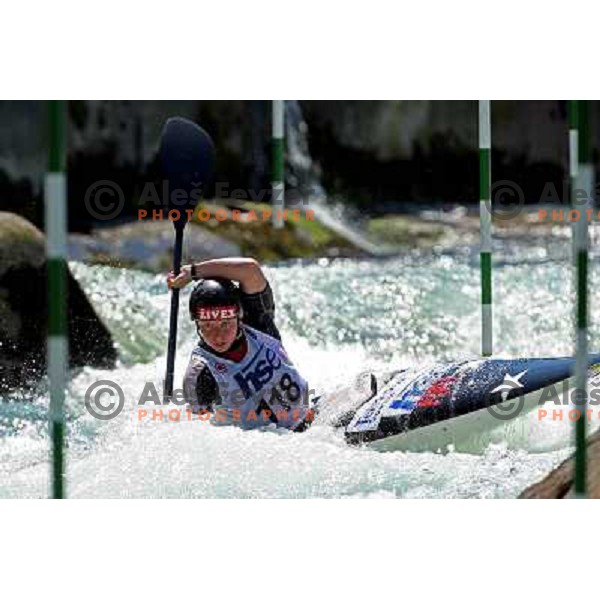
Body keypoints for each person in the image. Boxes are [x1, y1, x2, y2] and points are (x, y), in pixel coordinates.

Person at [167, 257, 315, 431]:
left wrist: (192, 272)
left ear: (239, 317)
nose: (218, 335)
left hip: (313, 417)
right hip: (280, 446)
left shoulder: (258, 323)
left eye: (225, 324)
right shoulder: (201, 373)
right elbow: (198, 434)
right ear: (197, 324)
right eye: (207, 325)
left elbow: (250, 270)